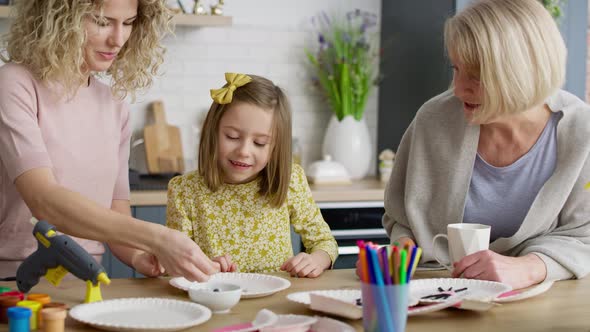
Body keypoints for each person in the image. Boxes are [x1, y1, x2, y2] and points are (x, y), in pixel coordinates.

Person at [372, 0, 590, 289]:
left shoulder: (581, 132)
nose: (459, 87)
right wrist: (404, 245)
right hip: (440, 295)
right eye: (456, 68)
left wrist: (527, 268)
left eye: (477, 75)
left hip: (546, 302)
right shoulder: (433, 119)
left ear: (523, 73)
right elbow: (401, 216)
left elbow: (584, 236)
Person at [0, 0, 219, 281]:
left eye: (128, 23)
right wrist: (158, 238)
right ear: (59, 16)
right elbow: (45, 200)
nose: (118, 39)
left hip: (88, 279)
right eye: (103, 22)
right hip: (17, 281)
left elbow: (116, 213)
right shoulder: (15, 85)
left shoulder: (115, 106)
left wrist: (141, 255)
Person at [166, 73, 338, 277]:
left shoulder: (291, 181)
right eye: (232, 136)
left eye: (260, 143)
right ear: (213, 131)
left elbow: (325, 242)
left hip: (276, 300)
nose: (244, 151)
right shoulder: (185, 191)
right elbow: (174, 264)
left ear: (275, 146)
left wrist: (316, 259)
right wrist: (204, 266)